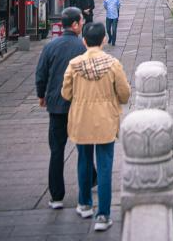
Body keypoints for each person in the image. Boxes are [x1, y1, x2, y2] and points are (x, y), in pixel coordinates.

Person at [61, 21, 132, 232]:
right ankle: (103, 214)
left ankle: (84, 204)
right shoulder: (112, 64)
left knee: (83, 161)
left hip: (81, 120)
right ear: (103, 39)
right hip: (105, 121)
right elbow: (125, 94)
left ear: (83, 40)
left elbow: (65, 93)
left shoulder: (74, 65)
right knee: (104, 167)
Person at [35, 6, 86, 210]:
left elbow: (41, 73)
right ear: (74, 24)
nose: (82, 24)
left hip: (56, 105)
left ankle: (56, 196)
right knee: (84, 148)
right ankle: (88, 187)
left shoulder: (50, 46)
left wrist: (41, 94)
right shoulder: (82, 47)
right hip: (78, 105)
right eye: (81, 21)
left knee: (56, 150)